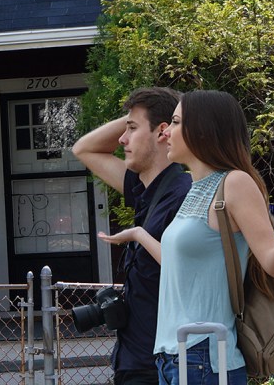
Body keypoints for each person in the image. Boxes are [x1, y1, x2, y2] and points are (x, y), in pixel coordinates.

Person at [150, 90, 274, 385]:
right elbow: (177, 265)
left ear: (203, 130)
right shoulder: (195, 187)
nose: (166, 131)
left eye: (176, 122)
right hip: (171, 355)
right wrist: (138, 235)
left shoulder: (235, 183)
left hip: (204, 354)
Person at [73, 87, 192, 385]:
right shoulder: (145, 189)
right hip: (135, 361)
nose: (122, 139)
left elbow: (191, 273)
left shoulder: (183, 195)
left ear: (162, 132)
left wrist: (166, 113)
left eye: (132, 129)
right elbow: (83, 149)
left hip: (163, 367)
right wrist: (137, 114)